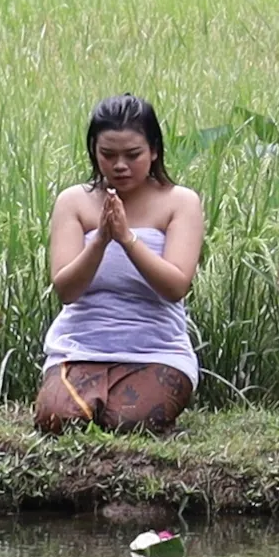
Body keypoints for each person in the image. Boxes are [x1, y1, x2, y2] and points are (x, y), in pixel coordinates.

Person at [38, 96, 206, 435]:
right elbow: (66, 289)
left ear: (154, 150)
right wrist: (100, 240)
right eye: (108, 155)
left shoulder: (180, 202)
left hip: (157, 351)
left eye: (133, 155)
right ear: (93, 151)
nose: (120, 166)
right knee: (58, 420)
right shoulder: (73, 202)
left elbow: (175, 287)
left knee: (129, 423)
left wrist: (127, 239)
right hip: (79, 349)